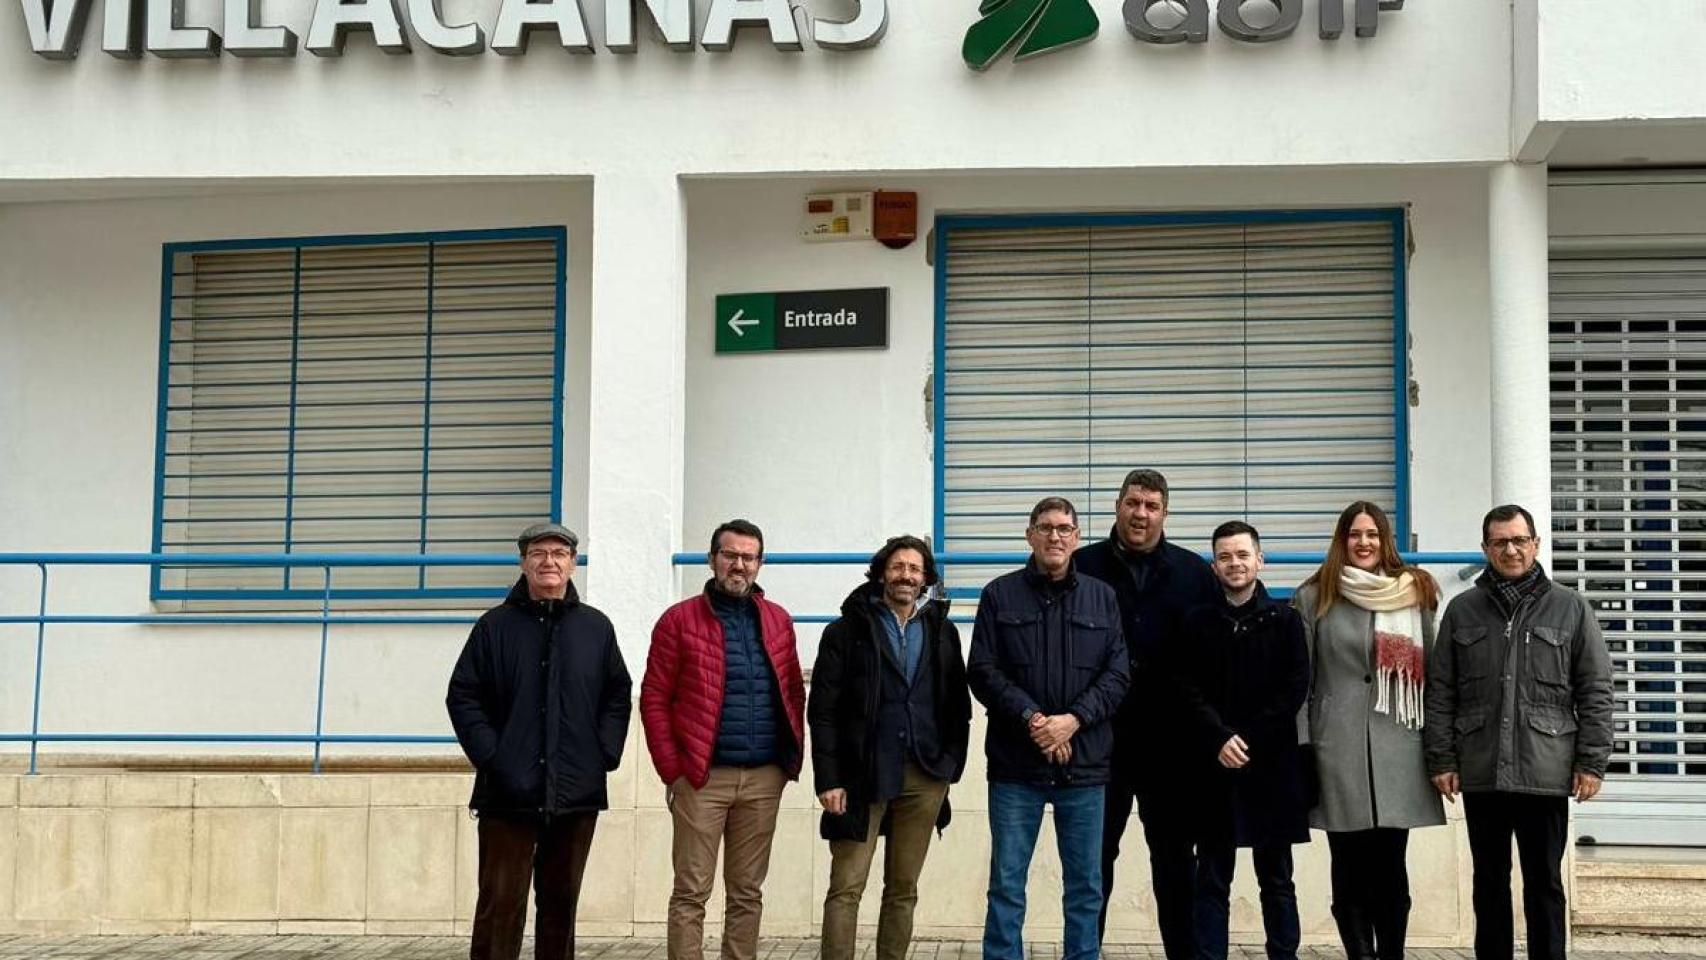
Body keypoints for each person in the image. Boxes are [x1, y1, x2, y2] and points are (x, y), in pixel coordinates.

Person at [1425, 504, 1614, 960]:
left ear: (1535, 544)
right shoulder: (1462, 610)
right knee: (1488, 881)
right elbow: (1441, 690)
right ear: (1486, 548)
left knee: (1544, 883)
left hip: (1545, 770)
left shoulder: (1571, 608)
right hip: (1481, 768)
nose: (1511, 549)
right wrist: (1442, 759)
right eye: (1500, 542)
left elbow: (1596, 689)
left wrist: (1591, 762)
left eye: (1519, 540)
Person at [446, 521, 632, 960]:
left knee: (560, 908)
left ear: (572, 563)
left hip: (576, 793)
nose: (549, 562)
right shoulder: (494, 626)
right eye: (539, 553)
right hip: (507, 793)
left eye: (559, 554)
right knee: (499, 906)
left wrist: (603, 753)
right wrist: (494, 758)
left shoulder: (596, 628)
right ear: (523, 562)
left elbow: (617, 693)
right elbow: (463, 695)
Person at [968, 496, 1131, 960]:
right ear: (1029, 535)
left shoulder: (1102, 597)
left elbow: (1118, 674)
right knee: (1006, 886)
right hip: (1015, 767)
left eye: (1064, 528)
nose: (1054, 536)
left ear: (1077, 537)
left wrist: (1072, 721)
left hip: (1085, 767)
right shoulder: (999, 595)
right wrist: (1035, 721)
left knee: (1085, 889)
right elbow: (982, 669)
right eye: (1045, 527)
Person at [640, 519, 807, 960]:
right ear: (712, 558)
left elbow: (792, 690)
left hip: (763, 778)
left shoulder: (778, 620)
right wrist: (672, 770)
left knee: (747, 893)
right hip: (701, 778)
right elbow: (654, 698)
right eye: (730, 555)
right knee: (691, 892)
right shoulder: (678, 620)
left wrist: (789, 762)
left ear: (760, 563)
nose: (739, 565)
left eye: (748, 557)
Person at [1074, 468, 1218, 957]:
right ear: (1118, 506)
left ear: (1165, 513)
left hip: (1172, 748)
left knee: (1177, 866)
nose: (1141, 514)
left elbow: (1211, 659)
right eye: (1133, 503)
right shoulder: (1082, 566)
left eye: (1151, 506)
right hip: (1099, 740)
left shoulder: (1194, 574)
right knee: (1094, 864)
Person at [808, 535, 973, 960]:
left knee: (903, 888)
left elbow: (957, 703)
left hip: (925, 774)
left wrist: (950, 767)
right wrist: (829, 779)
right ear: (882, 572)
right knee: (847, 885)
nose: (906, 575)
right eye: (898, 567)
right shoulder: (845, 632)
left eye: (915, 569)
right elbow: (822, 711)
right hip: (861, 775)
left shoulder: (942, 630)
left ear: (925, 579)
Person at [1293, 501, 1445, 960]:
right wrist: (1302, 750)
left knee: (1391, 867)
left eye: (1372, 534)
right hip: (1336, 752)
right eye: (1355, 534)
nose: (1363, 543)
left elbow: (1434, 676)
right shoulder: (1314, 595)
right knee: (1348, 867)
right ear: (1342, 540)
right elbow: (1301, 683)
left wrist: (1441, 753)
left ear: (1385, 541)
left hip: (1399, 747)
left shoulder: (1413, 592)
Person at [1177, 521, 1309, 960]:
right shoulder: (1197, 621)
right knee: (1212, 879)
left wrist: (1247, 739)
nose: (1235, 564)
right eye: (1225, 557)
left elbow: (1294, 688)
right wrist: (1219, 737)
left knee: (1277, 880)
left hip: (1270, 769)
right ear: (1214, 565)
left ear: (1260, 560)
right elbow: (1186, 687)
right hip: (1212, 769)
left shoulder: (1286, 619)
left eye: (1242, 555)